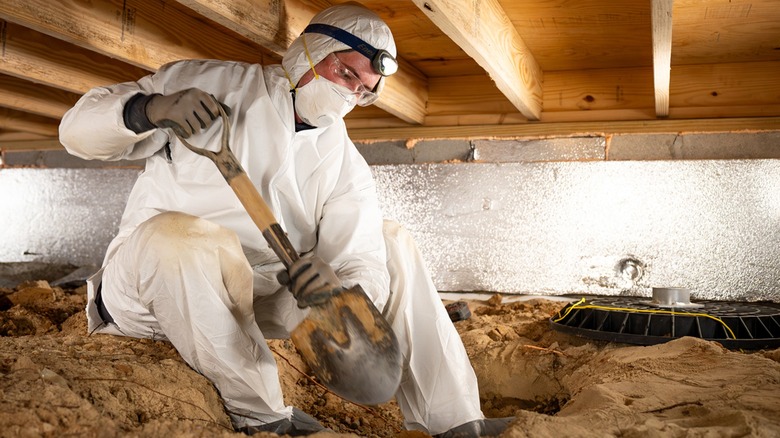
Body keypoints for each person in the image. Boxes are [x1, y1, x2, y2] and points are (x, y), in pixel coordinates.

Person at [59, 3, 513, 437]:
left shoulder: (342, 160)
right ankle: (262, 415)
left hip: (253, 297)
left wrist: (338, 285)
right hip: (151, 288)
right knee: (179, 238)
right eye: (346, 72)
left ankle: (454, 419)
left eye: (363, 88)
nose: (350, 92)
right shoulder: (207, 81)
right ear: (311, 54)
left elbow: (365, 259)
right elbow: (75, 133)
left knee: (392, 238)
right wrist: (147, 110)